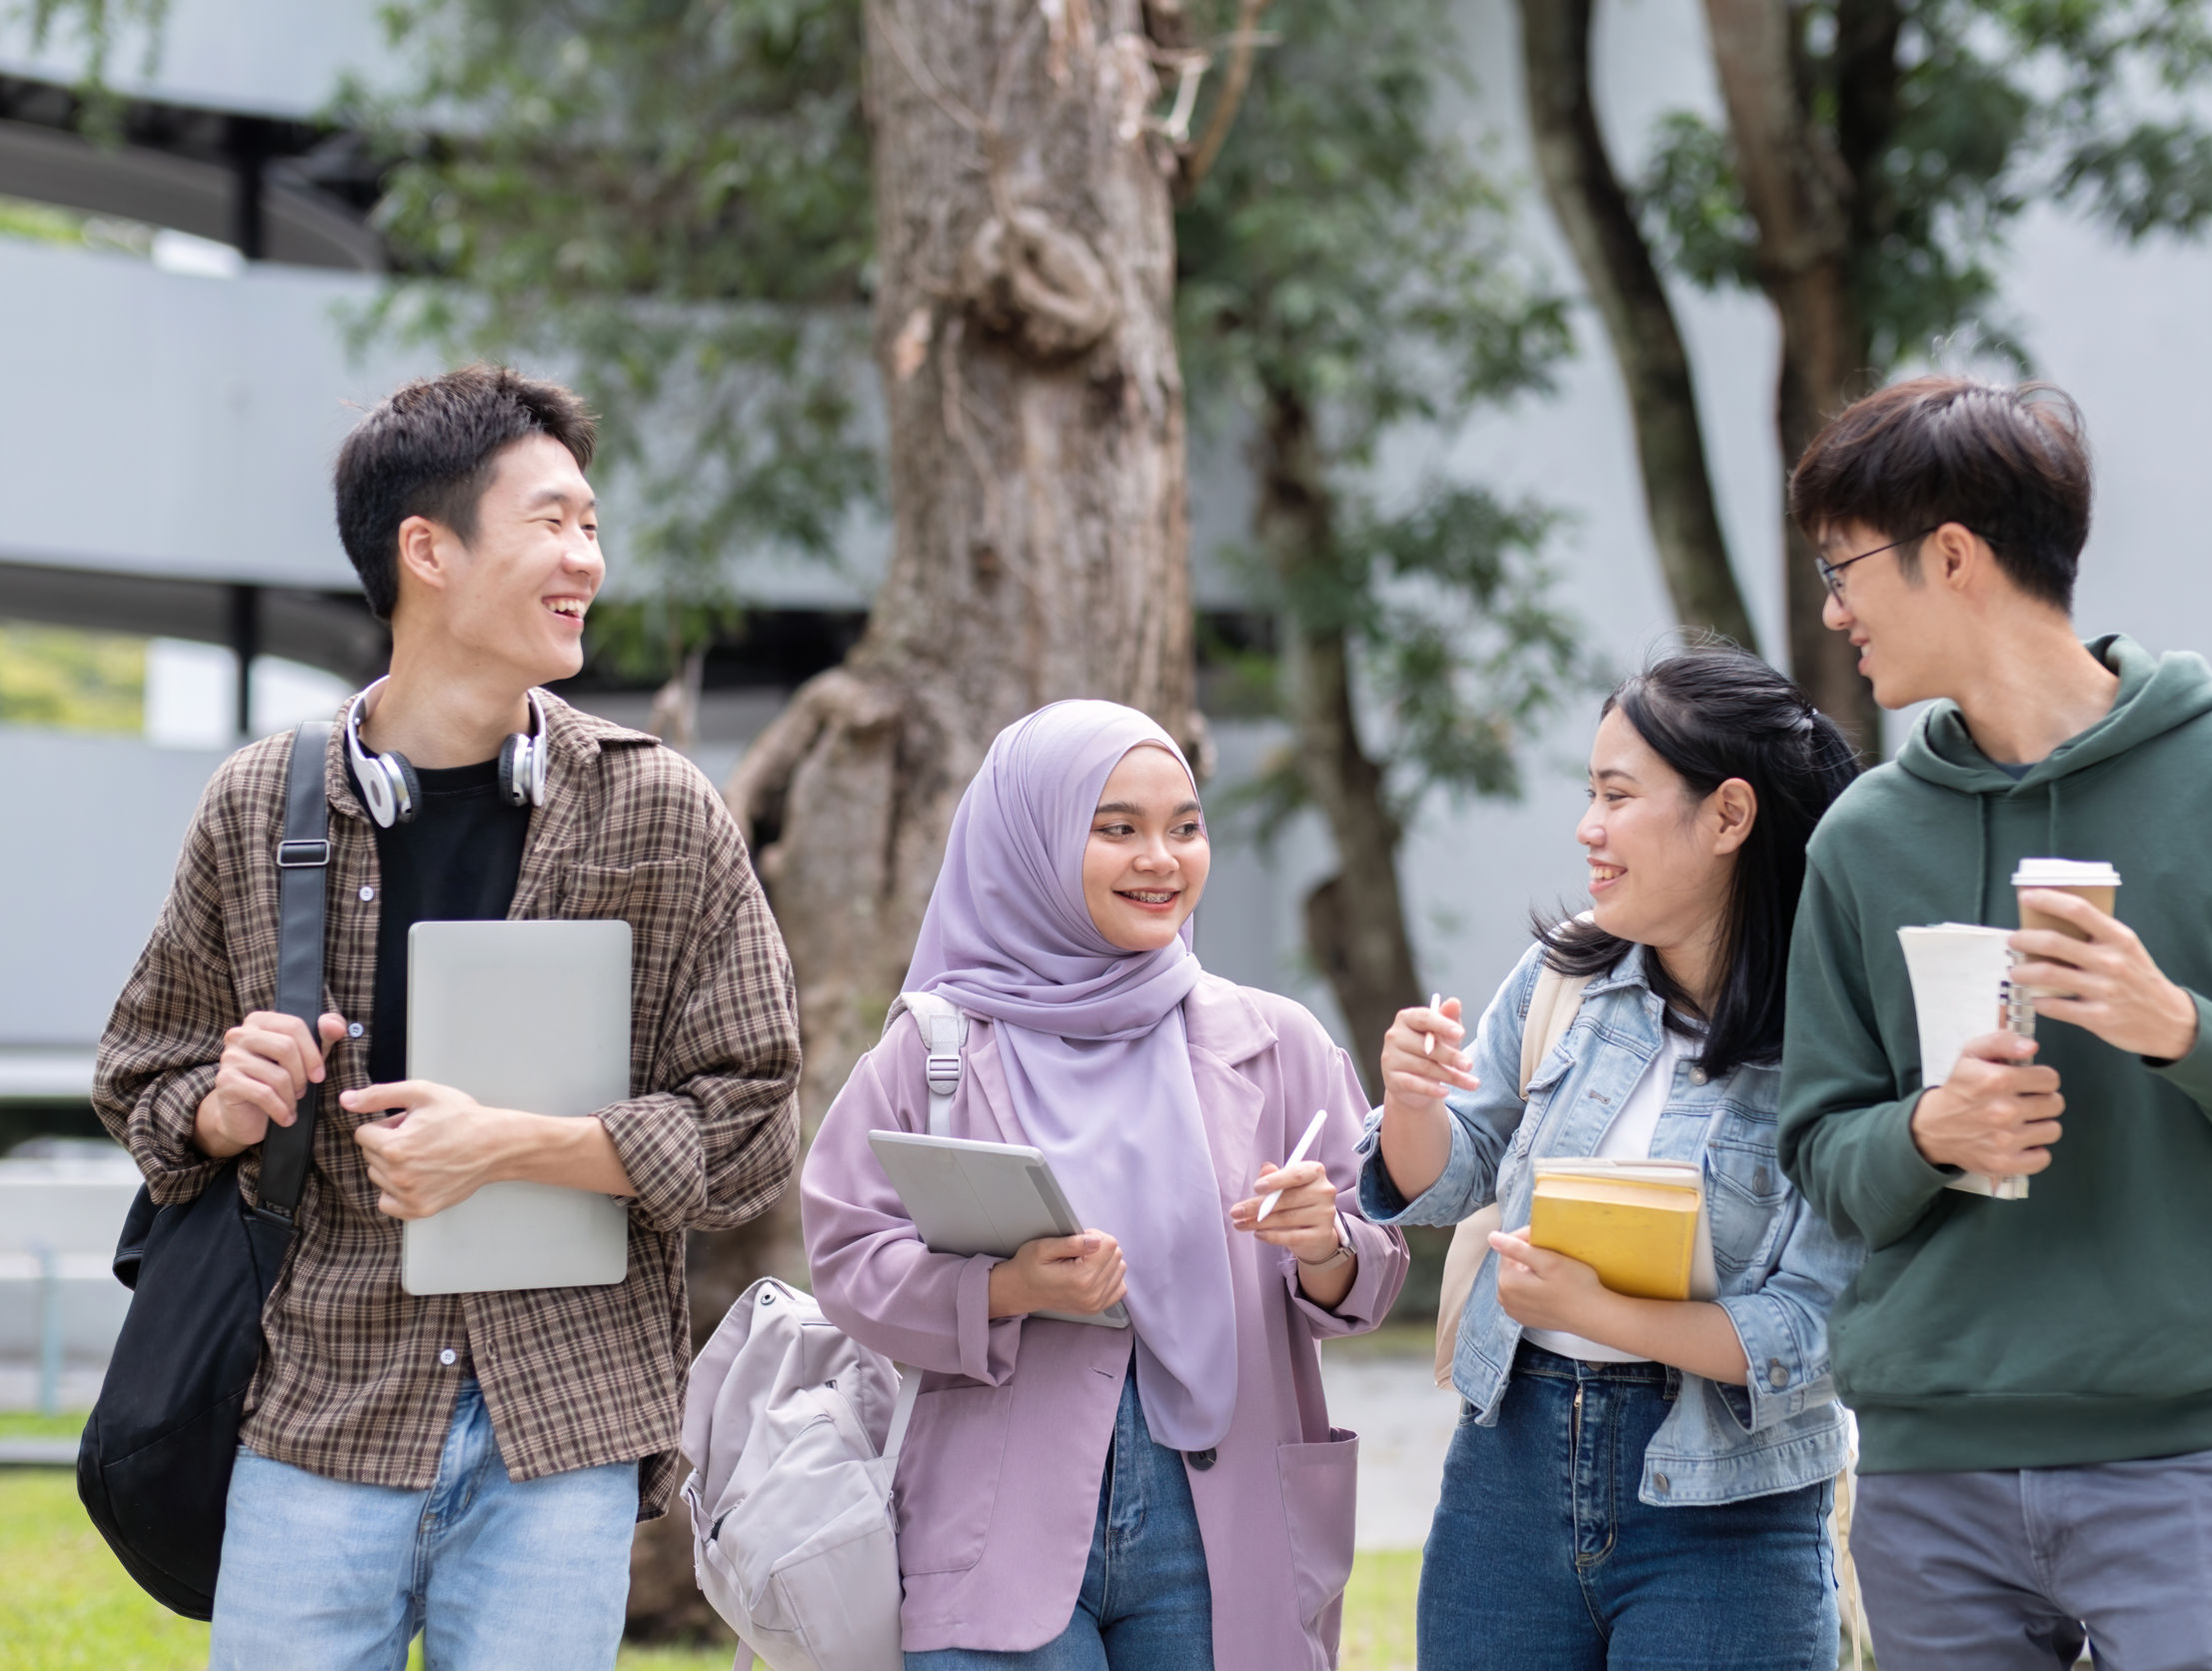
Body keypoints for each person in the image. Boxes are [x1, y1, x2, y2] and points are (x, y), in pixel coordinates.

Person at [92, 364, 803, 1671]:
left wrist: (516, 1145)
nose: (587, 556)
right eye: (551, 522)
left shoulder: (664, 813)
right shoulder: (257, 806)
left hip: (565, 1435)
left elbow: (755, 1130)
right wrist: (223, 1104)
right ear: (427, 549)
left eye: (592, 523)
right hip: (314, 1414)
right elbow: (143, 1078)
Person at [1777, 377, 2212, 1670]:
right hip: (1928, 1476)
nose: (1833, 610)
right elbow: (1821, 1156)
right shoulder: (1862, 838)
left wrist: (2184, 1030)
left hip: (2181, 1459)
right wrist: (1927, 1133)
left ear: (1951, 555)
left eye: (1844, 569)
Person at [802, 699, 1408, 1671]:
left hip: (1217, 1531)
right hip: (995, 1531)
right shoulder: (937, 1046)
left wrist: (1324, 1246)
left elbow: (1373, 1270)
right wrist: (1009, 1290)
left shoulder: (1275, 1040)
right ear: (1029, 839)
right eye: (1116, 827)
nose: (1161, 858)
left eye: (1185, 826)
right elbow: (848, 1257)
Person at [1361, 651, 1863, 1671]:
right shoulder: (1567, 972)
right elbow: (1456, 1173)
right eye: (1589, 794)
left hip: (1730, 1501)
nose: (1588, 828)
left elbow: (1819, 1329)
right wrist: (1411, 1103)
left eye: (1618, 796)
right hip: (1508, 1473)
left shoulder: (1842, 1030)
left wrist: (1601, 1313)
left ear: (1728, 817)